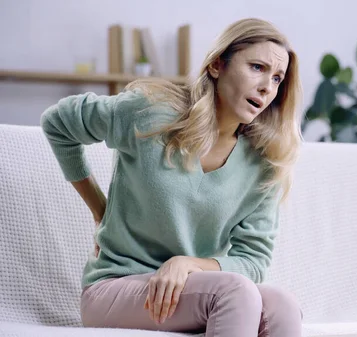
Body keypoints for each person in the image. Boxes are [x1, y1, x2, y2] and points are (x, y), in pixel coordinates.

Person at [40, 18, 303, 336]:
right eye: (258, 68)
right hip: (115, 286)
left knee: (283, 306)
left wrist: (189, 263)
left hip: (189, 290)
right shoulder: (151, 113)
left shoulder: (264, 163)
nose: (267, 87)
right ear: (218, 64)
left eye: (277, 78)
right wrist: (100, 209)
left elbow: (254, 260)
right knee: (236, 293)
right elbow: (59, 123)